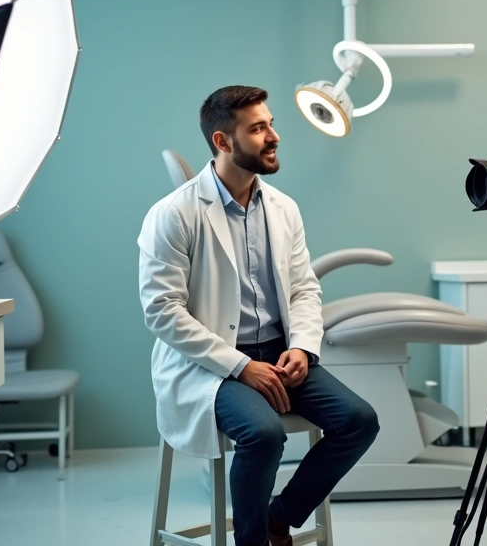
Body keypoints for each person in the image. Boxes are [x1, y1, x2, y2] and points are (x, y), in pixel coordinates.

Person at [137, 85, 379, 546]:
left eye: (271, 124)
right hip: (210, 365)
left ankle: (277, 519)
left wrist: (303, 347)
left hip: (279, 352)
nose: (274, 136)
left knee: (359, 420)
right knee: (265, 435)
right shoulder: (173, 214)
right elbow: (161, 311)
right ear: (223, 142)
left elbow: (305, 288)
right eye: (258, 128)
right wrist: (241, 366)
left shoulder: (283, 208)